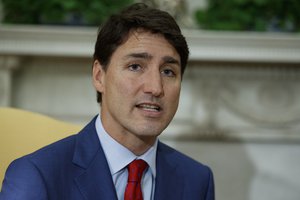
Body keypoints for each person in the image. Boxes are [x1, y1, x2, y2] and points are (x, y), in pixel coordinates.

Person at [0, 3, 214, 200]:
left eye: (168, 71)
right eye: (135, 66)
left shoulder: (197, 181)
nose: (155, 88)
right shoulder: (37, 174)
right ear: (99, 76)